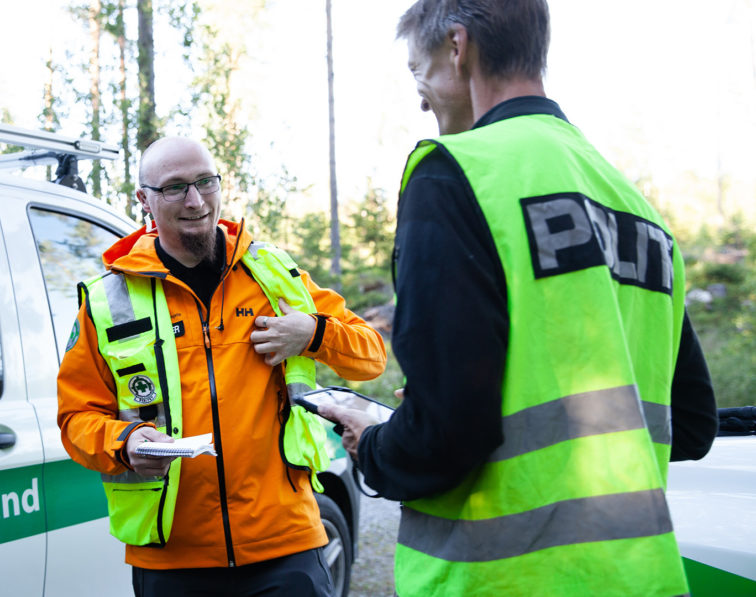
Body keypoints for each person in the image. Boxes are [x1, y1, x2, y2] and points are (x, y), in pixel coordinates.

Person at [319, 1, 719, 595]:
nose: (422, 99)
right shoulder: (633, 204)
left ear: (458, 48)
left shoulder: (455, 174)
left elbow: (446, 434)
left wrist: (375, 442)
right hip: (643, 579)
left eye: (418, 72)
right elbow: (689, 425)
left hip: (502, 581)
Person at [56, 136, 386, 596]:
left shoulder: (273, 276)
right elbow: (76, 419)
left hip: (285, 545)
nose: (195, 201)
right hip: (173, 557)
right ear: (144, 199)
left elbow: (371, 355)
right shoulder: (108, 302)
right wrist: (124, 441)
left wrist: (312, 333)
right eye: (174, 188)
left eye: (205, 182)